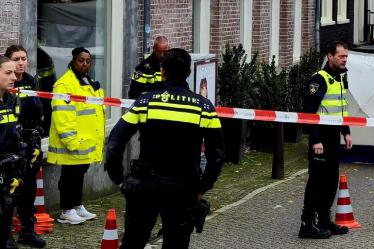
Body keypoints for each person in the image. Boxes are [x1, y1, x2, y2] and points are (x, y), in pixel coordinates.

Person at [105, 48, 225, 249]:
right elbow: (218, 155)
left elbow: (115, 143)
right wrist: (202, 188)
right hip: (184, 189)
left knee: (133, 243)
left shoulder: (145, 102)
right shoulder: (203, 108)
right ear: (189, 72)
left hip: (144, 186)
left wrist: (119, 180)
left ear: (162, 72)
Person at [298, 41, 353, 239]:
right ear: (330, 56)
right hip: (320, 137)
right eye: (341, 56)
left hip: (333, 137)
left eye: (346, 56)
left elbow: (342, 108)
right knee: (316, 181)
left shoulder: (341, 77)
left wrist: (346, 131)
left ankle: (323, 219)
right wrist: (315, 140)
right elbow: (308, 113)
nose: (344, 59)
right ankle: (307, 224)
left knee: (331, 180)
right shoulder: (319, 79)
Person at [47, 47, 105, 225]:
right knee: (69, 177)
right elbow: (62, 115)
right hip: (73, 141)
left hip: (85, 140)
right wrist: (71, 140)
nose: (85, 64)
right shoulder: (65, 84)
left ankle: (77, 205)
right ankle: (66, 210)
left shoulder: (87, 81)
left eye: (88, 61)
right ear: (73, 61)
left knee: (79, 174)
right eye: (81, 60)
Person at [3, 46, 45, 248]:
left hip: (32, 141)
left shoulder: (30, 80)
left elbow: (40, 107)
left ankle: (28, 232)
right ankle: (8, 235)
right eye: (16, 59)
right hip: (14, 143)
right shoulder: (6, 90)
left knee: (29, 189)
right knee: (11, 192)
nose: (21, 63)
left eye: (24, 58)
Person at [0, 57, 26, 249]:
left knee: (8, 204)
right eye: (7, 73)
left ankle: (8, 236)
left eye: (13, 72)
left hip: (10, 164)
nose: (14, 77)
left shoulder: (10, 98)